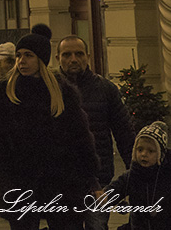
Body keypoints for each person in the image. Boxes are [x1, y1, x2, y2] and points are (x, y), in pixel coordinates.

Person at [0, 33, 100, 230]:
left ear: (41, 59)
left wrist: (87, 174)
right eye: (18, 55)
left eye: (28, 55)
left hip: (61, 181)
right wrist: (3, 165)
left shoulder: (62, 91)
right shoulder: (4, 91)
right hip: (19, 181)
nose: (22, 61)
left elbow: (80, 136)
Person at [57, 36, 137, 230]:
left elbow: (124, 133)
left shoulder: (105, 89)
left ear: (88, 56)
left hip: (99, 179)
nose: (73, 59)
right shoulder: (51, 89)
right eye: (67, 55)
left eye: (79, 54)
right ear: (58, 57)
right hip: (62, 179)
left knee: (97, 226)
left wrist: (134, 175)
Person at [103, 121, 171, 230]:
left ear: (160, 156)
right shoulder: (132, 175)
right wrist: (104, 196)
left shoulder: (170, 179)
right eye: (140, 149)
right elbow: (117, 188)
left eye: (150, 151)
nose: (144, 154)